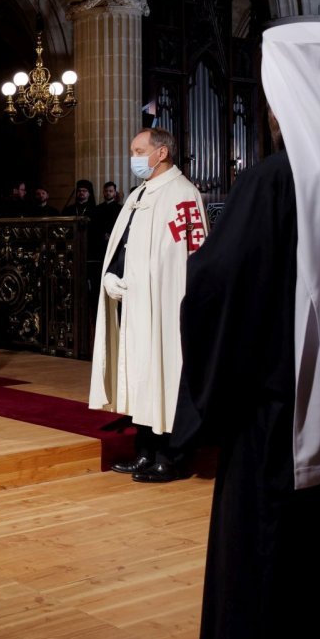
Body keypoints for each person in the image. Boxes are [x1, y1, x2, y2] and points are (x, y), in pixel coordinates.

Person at [171, 22, 320, 639]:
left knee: (274, 593)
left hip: (287, 434)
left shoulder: (278, 180)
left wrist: (205, 411)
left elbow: (217, 291)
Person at [88, 128, 206, 483]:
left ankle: (172, 456)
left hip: (167, 306)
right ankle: (145, 451)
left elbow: (193, 255)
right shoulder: (139, 195)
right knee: (141, 376)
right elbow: (122, 244)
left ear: (161, 152)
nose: (134, 157)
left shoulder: (183, 195)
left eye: (139, 150)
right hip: (135, 304)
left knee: (164, 374)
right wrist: (112, 275)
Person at [92, 181, 123, 245]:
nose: (108, 193)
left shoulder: (120, 209)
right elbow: (95, 225)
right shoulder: (97, 208)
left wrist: (111, 235)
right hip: (100, 240)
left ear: (114, 193)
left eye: (110, 191)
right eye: (106, 191)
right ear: (103, 192)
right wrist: (103, 234)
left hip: (115, 240)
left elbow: (120, 225)